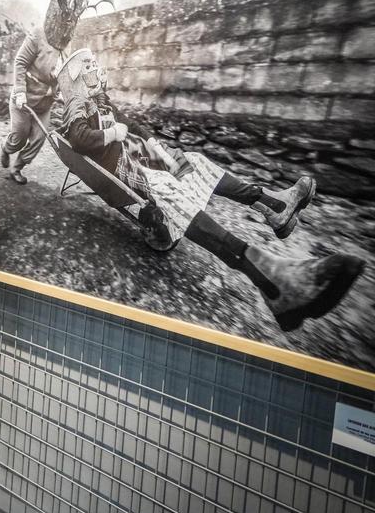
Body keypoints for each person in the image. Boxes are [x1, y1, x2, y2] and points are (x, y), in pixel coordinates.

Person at [57, 47, 365, 331]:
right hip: (125, 173)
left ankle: (275, 207)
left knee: (194, 162)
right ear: (77, 78)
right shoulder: (76, 104)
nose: (97, 71)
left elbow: (132, 126)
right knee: (170, 191)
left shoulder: (102, 102)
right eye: (90, 68)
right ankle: (271, 280)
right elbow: (79, 139)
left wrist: (156, 145)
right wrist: (112, 133)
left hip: (141, 159)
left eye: (96, 66)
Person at [2, 0, 89, 184]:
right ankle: (6, 148)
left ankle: (17, 169)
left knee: (40, 138)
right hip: (24, 99)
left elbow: (63, 71)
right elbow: (20, 62)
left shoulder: (66, 41)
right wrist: (19, 91)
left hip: (45, 103)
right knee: (19, 137)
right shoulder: (38, 34)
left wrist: (62, 91)